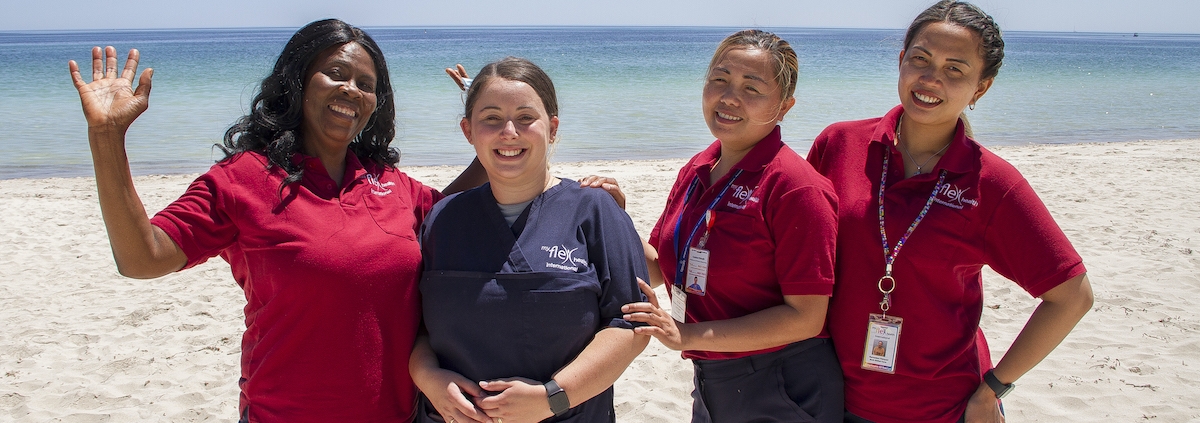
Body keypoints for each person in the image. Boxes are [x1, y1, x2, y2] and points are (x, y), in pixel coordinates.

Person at [69, 19, 483, 422]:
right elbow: (142, 259)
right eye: (335, 73)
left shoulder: (386, 180)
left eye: (366, 84)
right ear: (298, 81)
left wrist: (489, 121)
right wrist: (106, 137)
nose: (350, 90)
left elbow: (450, 210)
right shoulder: (243, 179)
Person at [805, 2, 1094, 422]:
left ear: (981, 88)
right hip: (831, 397)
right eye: (920, 59)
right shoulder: (839, 144)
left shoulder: (991, 183)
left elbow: (1072, 296)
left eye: (955, 69)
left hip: (943, 408)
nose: (931, 78)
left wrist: (994, 388)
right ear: (901, 61)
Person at [409, 57, 650, 423]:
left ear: (552, 128)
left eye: (526, 118)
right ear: (467, 130)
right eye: (491, 118)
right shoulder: (442, 219)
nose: (509, 131)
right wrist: (430, 379)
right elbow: (418, 329)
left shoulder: (596, 210)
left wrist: (551, 398)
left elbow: (632, 324)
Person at [619, 30, 844, 423]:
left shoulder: (796, 187)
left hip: (782, 383)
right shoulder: (698, 167)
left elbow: (807, 318)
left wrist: (685, 335)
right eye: (719, 80)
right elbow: (659, 265)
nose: (728, 98)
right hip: (710, 377)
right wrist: (612, 216)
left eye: (751, 87)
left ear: (784, 106)